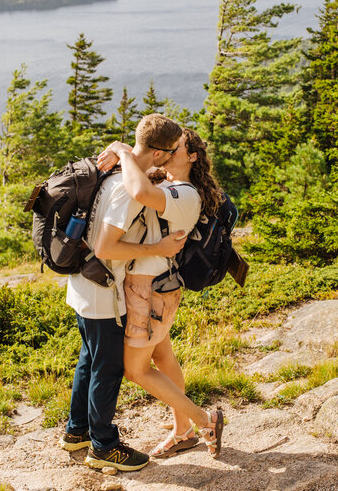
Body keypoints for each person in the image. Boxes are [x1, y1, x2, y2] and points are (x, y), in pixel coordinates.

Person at [60, 114, 186, 472]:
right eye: (174, 150)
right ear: (160, 153)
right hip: (102, 293)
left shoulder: (116, 172)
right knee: (107, 369)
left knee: (89, 360)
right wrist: (158, 249)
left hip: (83, 285)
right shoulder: (128, 189)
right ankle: (104, 446)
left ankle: (77, 431)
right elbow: (105, 247)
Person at [96, 128, 225, 459]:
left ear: (191, 157)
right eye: (165, 148)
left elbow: (139, 192)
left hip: (150, 290)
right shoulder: (167, 180)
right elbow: (141, 169)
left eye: (176, 148)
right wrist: (121, 147)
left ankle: (204, 421)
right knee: (163, 357)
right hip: (155, 286)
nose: (168, 152)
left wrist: (124, 153)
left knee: (136, 370)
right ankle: (182, 432)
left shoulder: (187, 193)